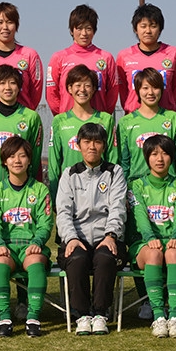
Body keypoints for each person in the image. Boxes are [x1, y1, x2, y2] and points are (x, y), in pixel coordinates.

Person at [0, 63, 43, 321]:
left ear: (20, 87)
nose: (7, 88)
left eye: (13, 83)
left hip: (23, 190)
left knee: (22, 237)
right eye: (2, 83)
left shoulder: (31, 117)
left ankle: (23, 302)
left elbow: (35, 156)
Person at [56, 123, 127, 335]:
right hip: (77, 238)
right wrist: (71, 238)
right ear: (78, 145)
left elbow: (118, 208)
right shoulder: (69, 174)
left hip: (106, 237)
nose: (92, 147)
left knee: (105, 258)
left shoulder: (114, 172)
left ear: (104, 145)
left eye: (97, 142)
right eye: (87, 142)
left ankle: (100, 313)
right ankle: (82, 315)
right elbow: (63, 212)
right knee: (77, 259)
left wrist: (111, 235)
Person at [0, 137, 53, 337]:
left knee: (35, 261)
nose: (17, 160)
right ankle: (4, 318)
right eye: (12, 156)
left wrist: (37, 242)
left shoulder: (40, 190)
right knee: (0, 262)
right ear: (4, 161)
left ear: (29, 160)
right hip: (5, 245)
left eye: (22, 156)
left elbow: (46, 223)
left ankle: (33, 317)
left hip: (30, 245)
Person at [127, 135, 176, 338]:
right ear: (147, 157)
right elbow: (139, 215)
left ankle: (175, 317)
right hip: (144, 243)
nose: (160, 159)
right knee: (154, 254)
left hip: (171, 241)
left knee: (173, 253)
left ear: (172, 157)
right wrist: (149, 237)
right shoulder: (136, 185)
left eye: (165, 153)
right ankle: (158, 316)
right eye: (154, 154)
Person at [48, 64, 117, 203]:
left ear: (94, 89)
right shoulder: (59, 121)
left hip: (100, 191)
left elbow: (113, 158)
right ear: (69, 88)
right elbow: (54, 162)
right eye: (78, 85)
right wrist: (54, 194)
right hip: (70, 191)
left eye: (87, 85)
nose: (82, 90)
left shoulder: (106, 119)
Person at [46, 4, 118, 116]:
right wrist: (63, 116)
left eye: (88, 28)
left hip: (97, 122)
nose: (84, 33)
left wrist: (103, 116)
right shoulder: (59, 58)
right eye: (79, 28)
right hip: (68, 121)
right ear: (71, 30)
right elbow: (51, 94)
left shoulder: (106, 58)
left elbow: (112, 93)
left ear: (94, 30)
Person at [118, 67, 176, 183]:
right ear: (138, 90)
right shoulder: (126, 122)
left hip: (168, 185)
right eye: (145, 88)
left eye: (155, 87)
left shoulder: (173, 118)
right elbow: (123, 160)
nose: (150, 92)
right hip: (137, 185)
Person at [116, 3, 176, 114]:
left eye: (153, 26)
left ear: (160, 29)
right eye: (143, 26)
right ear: (135, 29)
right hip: (134, 117)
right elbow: (122, 91)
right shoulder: (124, 56)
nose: (148, 31)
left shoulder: (173, 53)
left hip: (165, 117)